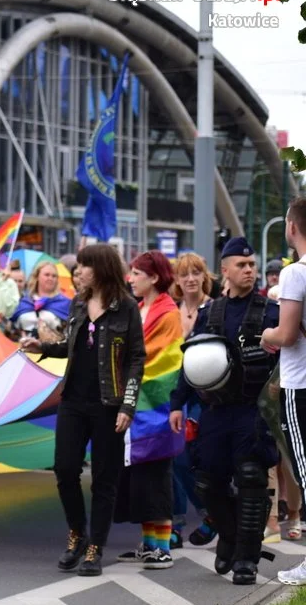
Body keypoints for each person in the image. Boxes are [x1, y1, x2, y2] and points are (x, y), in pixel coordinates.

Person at [21, 243, 145, 576]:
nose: (78, 272)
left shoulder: (127, 308)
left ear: (101, 268)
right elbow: (72, 345)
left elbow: (136, 359)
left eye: (84, 266)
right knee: (64, 469)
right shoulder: (77, 303)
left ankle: (95, 547)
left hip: (109, 404)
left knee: (105, 479)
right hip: (73, 400)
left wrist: (128, 406)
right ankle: (77, 532)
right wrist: (43, 347)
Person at [169, 237, 280, 585]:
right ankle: (230, 538)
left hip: (253, 410)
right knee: (207, 480)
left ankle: (247, 558)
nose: (249, 270)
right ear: (225, 270)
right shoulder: (210, 313)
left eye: (252, 265)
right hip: (215, 410)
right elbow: (194, 360)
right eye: (242, 265)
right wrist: (177, 403)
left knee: (250, 476)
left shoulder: (271, 312)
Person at [114, 251, 182, 569]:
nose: (131, 278)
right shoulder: (141, 309)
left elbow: (162, 359)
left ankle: (163, 547)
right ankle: (149, 544)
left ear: (154, 277)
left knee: (156, 474)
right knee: (141, 475)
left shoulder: (168, 313)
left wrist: (125, 363)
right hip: (139, 404)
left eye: (137, 273)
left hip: (158, 406)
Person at [260, 199, 306, 584]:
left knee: (305, 471)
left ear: (291, 227)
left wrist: (266, 335)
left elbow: (287, 334)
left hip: (301, 383)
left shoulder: (295, 274)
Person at [169, 253, 215, 547]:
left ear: (204, 276)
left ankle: (209, 512)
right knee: (174, 457)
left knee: (189, 457)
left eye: (195, 272)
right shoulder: (171, 312)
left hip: (204, 394)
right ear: (176, 279)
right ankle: (175, 524)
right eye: (184, 274)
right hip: (174, 391)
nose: (190, 278)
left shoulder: (214, 309)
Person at [10, 261, 72, 341]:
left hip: (52, 350)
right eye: (47, 275)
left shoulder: (64, 303)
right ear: (37, 277)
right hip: (24, 348)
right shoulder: (24, 301)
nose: (50, 278)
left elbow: (69, 332)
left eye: (54, 276)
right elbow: (13, 328)